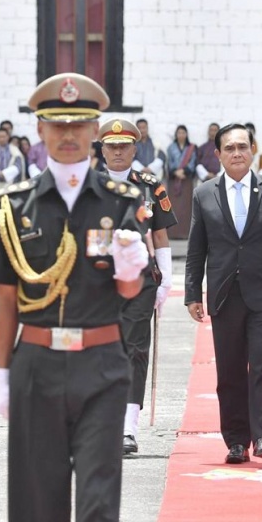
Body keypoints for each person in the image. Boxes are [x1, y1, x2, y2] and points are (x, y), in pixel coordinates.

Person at [0, 72, 149, 522]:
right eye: (59, 125)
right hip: (37, 364)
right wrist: (2, 373)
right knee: (40, 497)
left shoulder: (121, 202)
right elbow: (4, 298)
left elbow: (130, 286)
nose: (71, 135)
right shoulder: (14, 207)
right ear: (41, 130)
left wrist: (133, 269)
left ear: (97, 131)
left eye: (81, 126)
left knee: (99, 498)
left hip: (103, 364)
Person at [185, 123, 262, 463]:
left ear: (253, 151)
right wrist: (193, 293)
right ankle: (236, 440)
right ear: (218, 154)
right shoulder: (204, 193)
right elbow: (196, 249)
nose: (237, 153)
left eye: (243, 147)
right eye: (230, 148)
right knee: (230, 369)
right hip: (223, 293)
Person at [99, 117, 177, 454]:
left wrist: (166, 278)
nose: (118, 151)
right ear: (102, 149)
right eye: (111, 146)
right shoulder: (89, 184)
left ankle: (127, 428)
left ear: (135, 147)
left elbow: (160, 234)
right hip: (99, 280)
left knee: (134, 349)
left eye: (124, 145)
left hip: (141, 280)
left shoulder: (149, 185)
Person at [166, 124, 196, 239]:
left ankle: (185, 233)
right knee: (174, 207)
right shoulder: (171, 147)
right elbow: (169, 162)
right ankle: (173, 233)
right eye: (179, 133)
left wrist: (185, 171)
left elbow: (193, 162)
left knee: (186, 207)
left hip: (186, 180)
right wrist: (175, 172)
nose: (181, 135)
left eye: (183, 132)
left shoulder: (191, 148)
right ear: (176, 134)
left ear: (186, 134)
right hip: (174, 180)